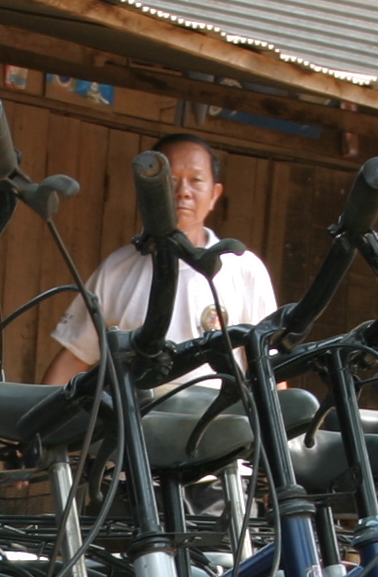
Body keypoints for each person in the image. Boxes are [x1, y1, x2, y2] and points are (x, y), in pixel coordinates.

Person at [38, 134, 278, 388]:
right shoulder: (117, 268)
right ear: (148, 189)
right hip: (135, 420)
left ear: (214, 194)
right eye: (170, 180)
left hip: (218, 421)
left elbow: (268, 366)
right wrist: (39, 422)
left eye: (196, 180)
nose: (183, 192)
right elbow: (76, 357)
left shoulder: (242, 268)